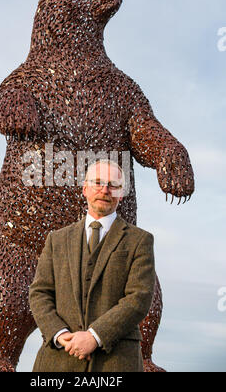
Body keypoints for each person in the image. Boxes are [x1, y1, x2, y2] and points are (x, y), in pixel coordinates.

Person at [29, 159, 155, 372]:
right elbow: (39, 293)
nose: (105, 190)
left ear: (121, 194)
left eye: (113, 185)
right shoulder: (56, 239)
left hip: (116, 363)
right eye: (98, 183)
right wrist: (59, 334)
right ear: (85, 189)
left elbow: (139, 298)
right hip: (57, 360)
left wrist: (95, 336)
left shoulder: (140, 240)